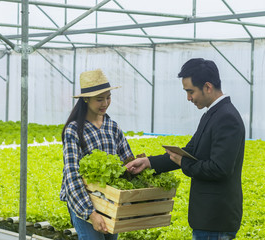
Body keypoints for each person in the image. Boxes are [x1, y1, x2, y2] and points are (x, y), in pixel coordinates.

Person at [125, 58, 245, 240]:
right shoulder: (212, 114)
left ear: (207, 87)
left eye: (190, 91)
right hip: (208, 219)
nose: (188, 98)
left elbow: (220, 168)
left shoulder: (226, 117)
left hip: (216, 220)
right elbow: (189, 151)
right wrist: (148, 162)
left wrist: (184, 163)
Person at [60, 69, 134, 240]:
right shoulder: (73, 130)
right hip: (84, 201)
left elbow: (127, 161)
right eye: (99, 99)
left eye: (108, 97)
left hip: (110, 202)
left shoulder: (112, 126)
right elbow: (72, 174)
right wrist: (90, 213)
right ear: (86, 99)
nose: (105, 103)